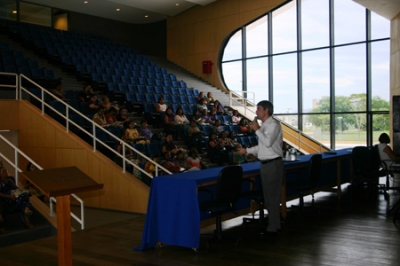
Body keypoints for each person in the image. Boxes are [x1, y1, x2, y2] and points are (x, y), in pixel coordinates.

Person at [238, 100, 284, 238]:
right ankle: (274, 225)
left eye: (258, 109)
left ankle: (273, 228)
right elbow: (262, 147)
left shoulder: (273, 125)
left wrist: (257, 130)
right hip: (265, 164)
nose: (256, 111)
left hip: (273, 164)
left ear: (266, 111)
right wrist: (246, 151)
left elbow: (268, 143)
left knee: (273, 197)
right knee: (269, 197)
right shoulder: (264, 126)